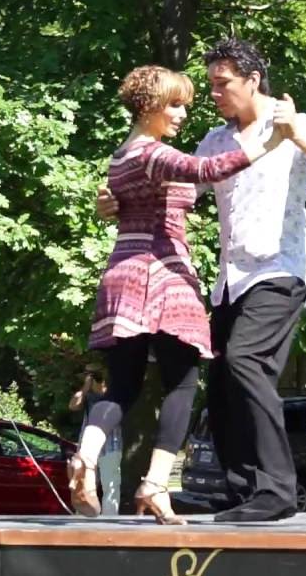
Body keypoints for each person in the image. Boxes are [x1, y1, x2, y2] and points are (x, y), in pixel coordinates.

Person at [100, 39, 306, 522]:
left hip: (280, 271)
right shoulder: (215, 142)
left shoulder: (294, 125)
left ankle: (277, 490)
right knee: (218, 381)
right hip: (230, 282)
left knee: (245, 362)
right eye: (213, 84)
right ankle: (244, 492)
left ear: (252, 80)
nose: (214, 94)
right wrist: (117, 201)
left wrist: (297, 135)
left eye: (223, 84)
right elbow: (179, 192)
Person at [71, 64, 286, 525]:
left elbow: (124, 200)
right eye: (174, 104)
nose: (184, 113)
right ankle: (154, 485)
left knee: (124, 385)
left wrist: (106, 204)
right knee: (184, 382)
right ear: (148, 107)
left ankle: (85, 457)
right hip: (163, 275)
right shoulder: (154, 154)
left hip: (122, 273)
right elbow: (209, 168)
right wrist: (271, 140)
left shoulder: (120, 156)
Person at [69, 366, 122, 515]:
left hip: (111, 445)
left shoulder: (114, 392)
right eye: (90, 375)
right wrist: (85, 388)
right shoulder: (87, 395)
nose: (95, 379)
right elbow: (73, 405)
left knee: (111, 486)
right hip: (87, 448)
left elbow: (111, 398)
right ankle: (83, 516)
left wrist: (102, 384)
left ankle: (110, 520)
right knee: (84, 483)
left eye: (96, 375)